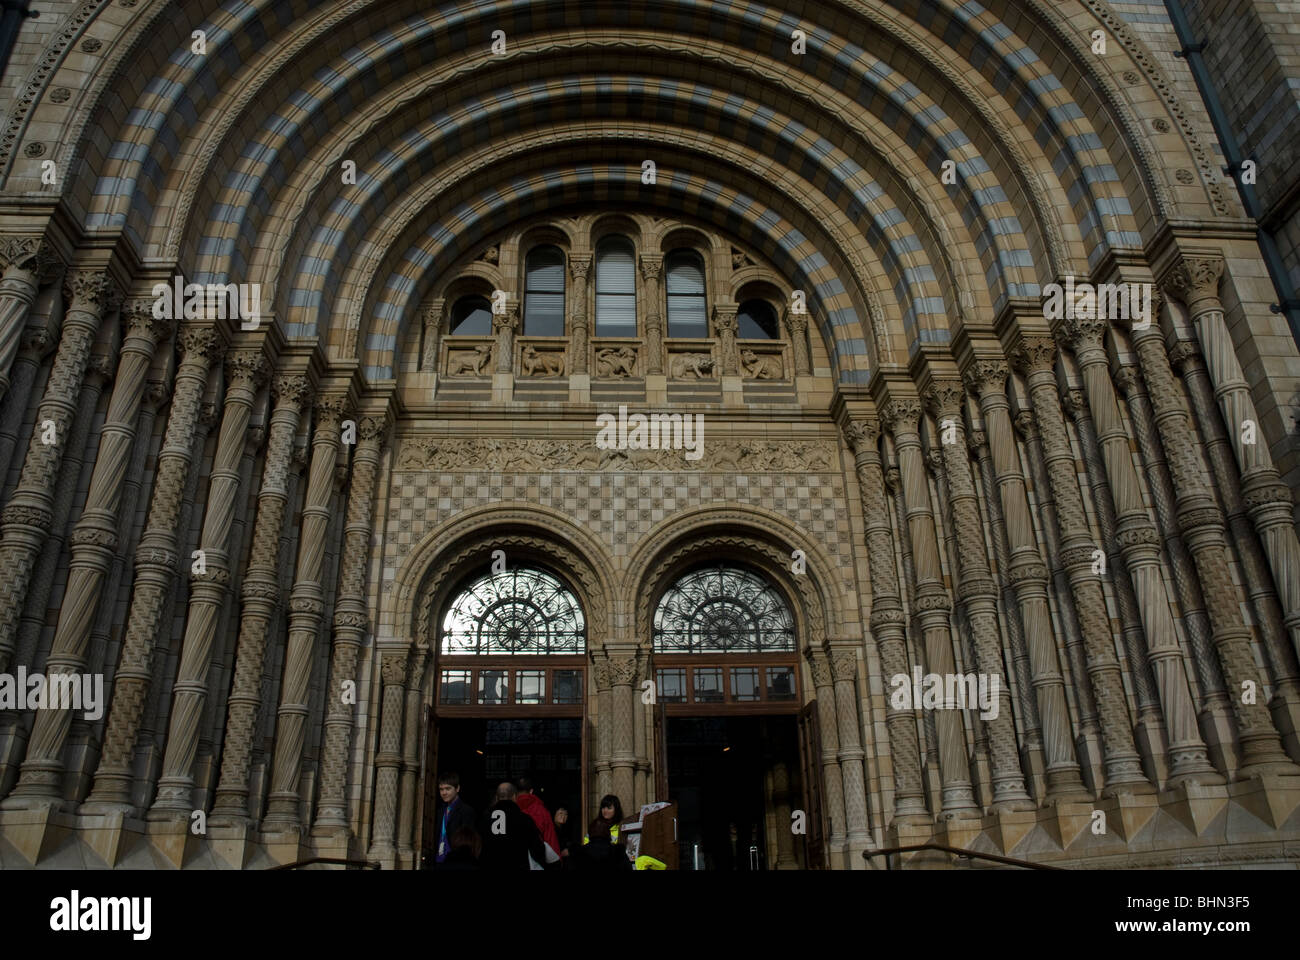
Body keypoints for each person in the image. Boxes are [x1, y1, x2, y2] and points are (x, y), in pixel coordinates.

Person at [478, 781, 546, 871]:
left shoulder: (484, 819)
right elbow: (538, 850)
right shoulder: (525, 819)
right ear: (515, 797)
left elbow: (477, 847)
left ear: (496, 798)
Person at [574, 794, 631, 873]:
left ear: (616, 810)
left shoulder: (622, 827)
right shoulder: (595, 825)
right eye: (603, 807)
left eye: (609, 808)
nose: (605, 810)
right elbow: (586, 846)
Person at [515, 776, 562, 868]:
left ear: (515, 792)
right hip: (536, 863)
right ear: (531, 791)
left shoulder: (510, 810)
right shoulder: (542, 811)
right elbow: (550, 839)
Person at [431, 772, 475, 867]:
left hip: (457, 861)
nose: (444, 793)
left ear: (457, 788)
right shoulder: (440, 810)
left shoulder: (466, 810)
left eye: (448, 788)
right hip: (439, 860)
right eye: (441, 789)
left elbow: (468, 841)